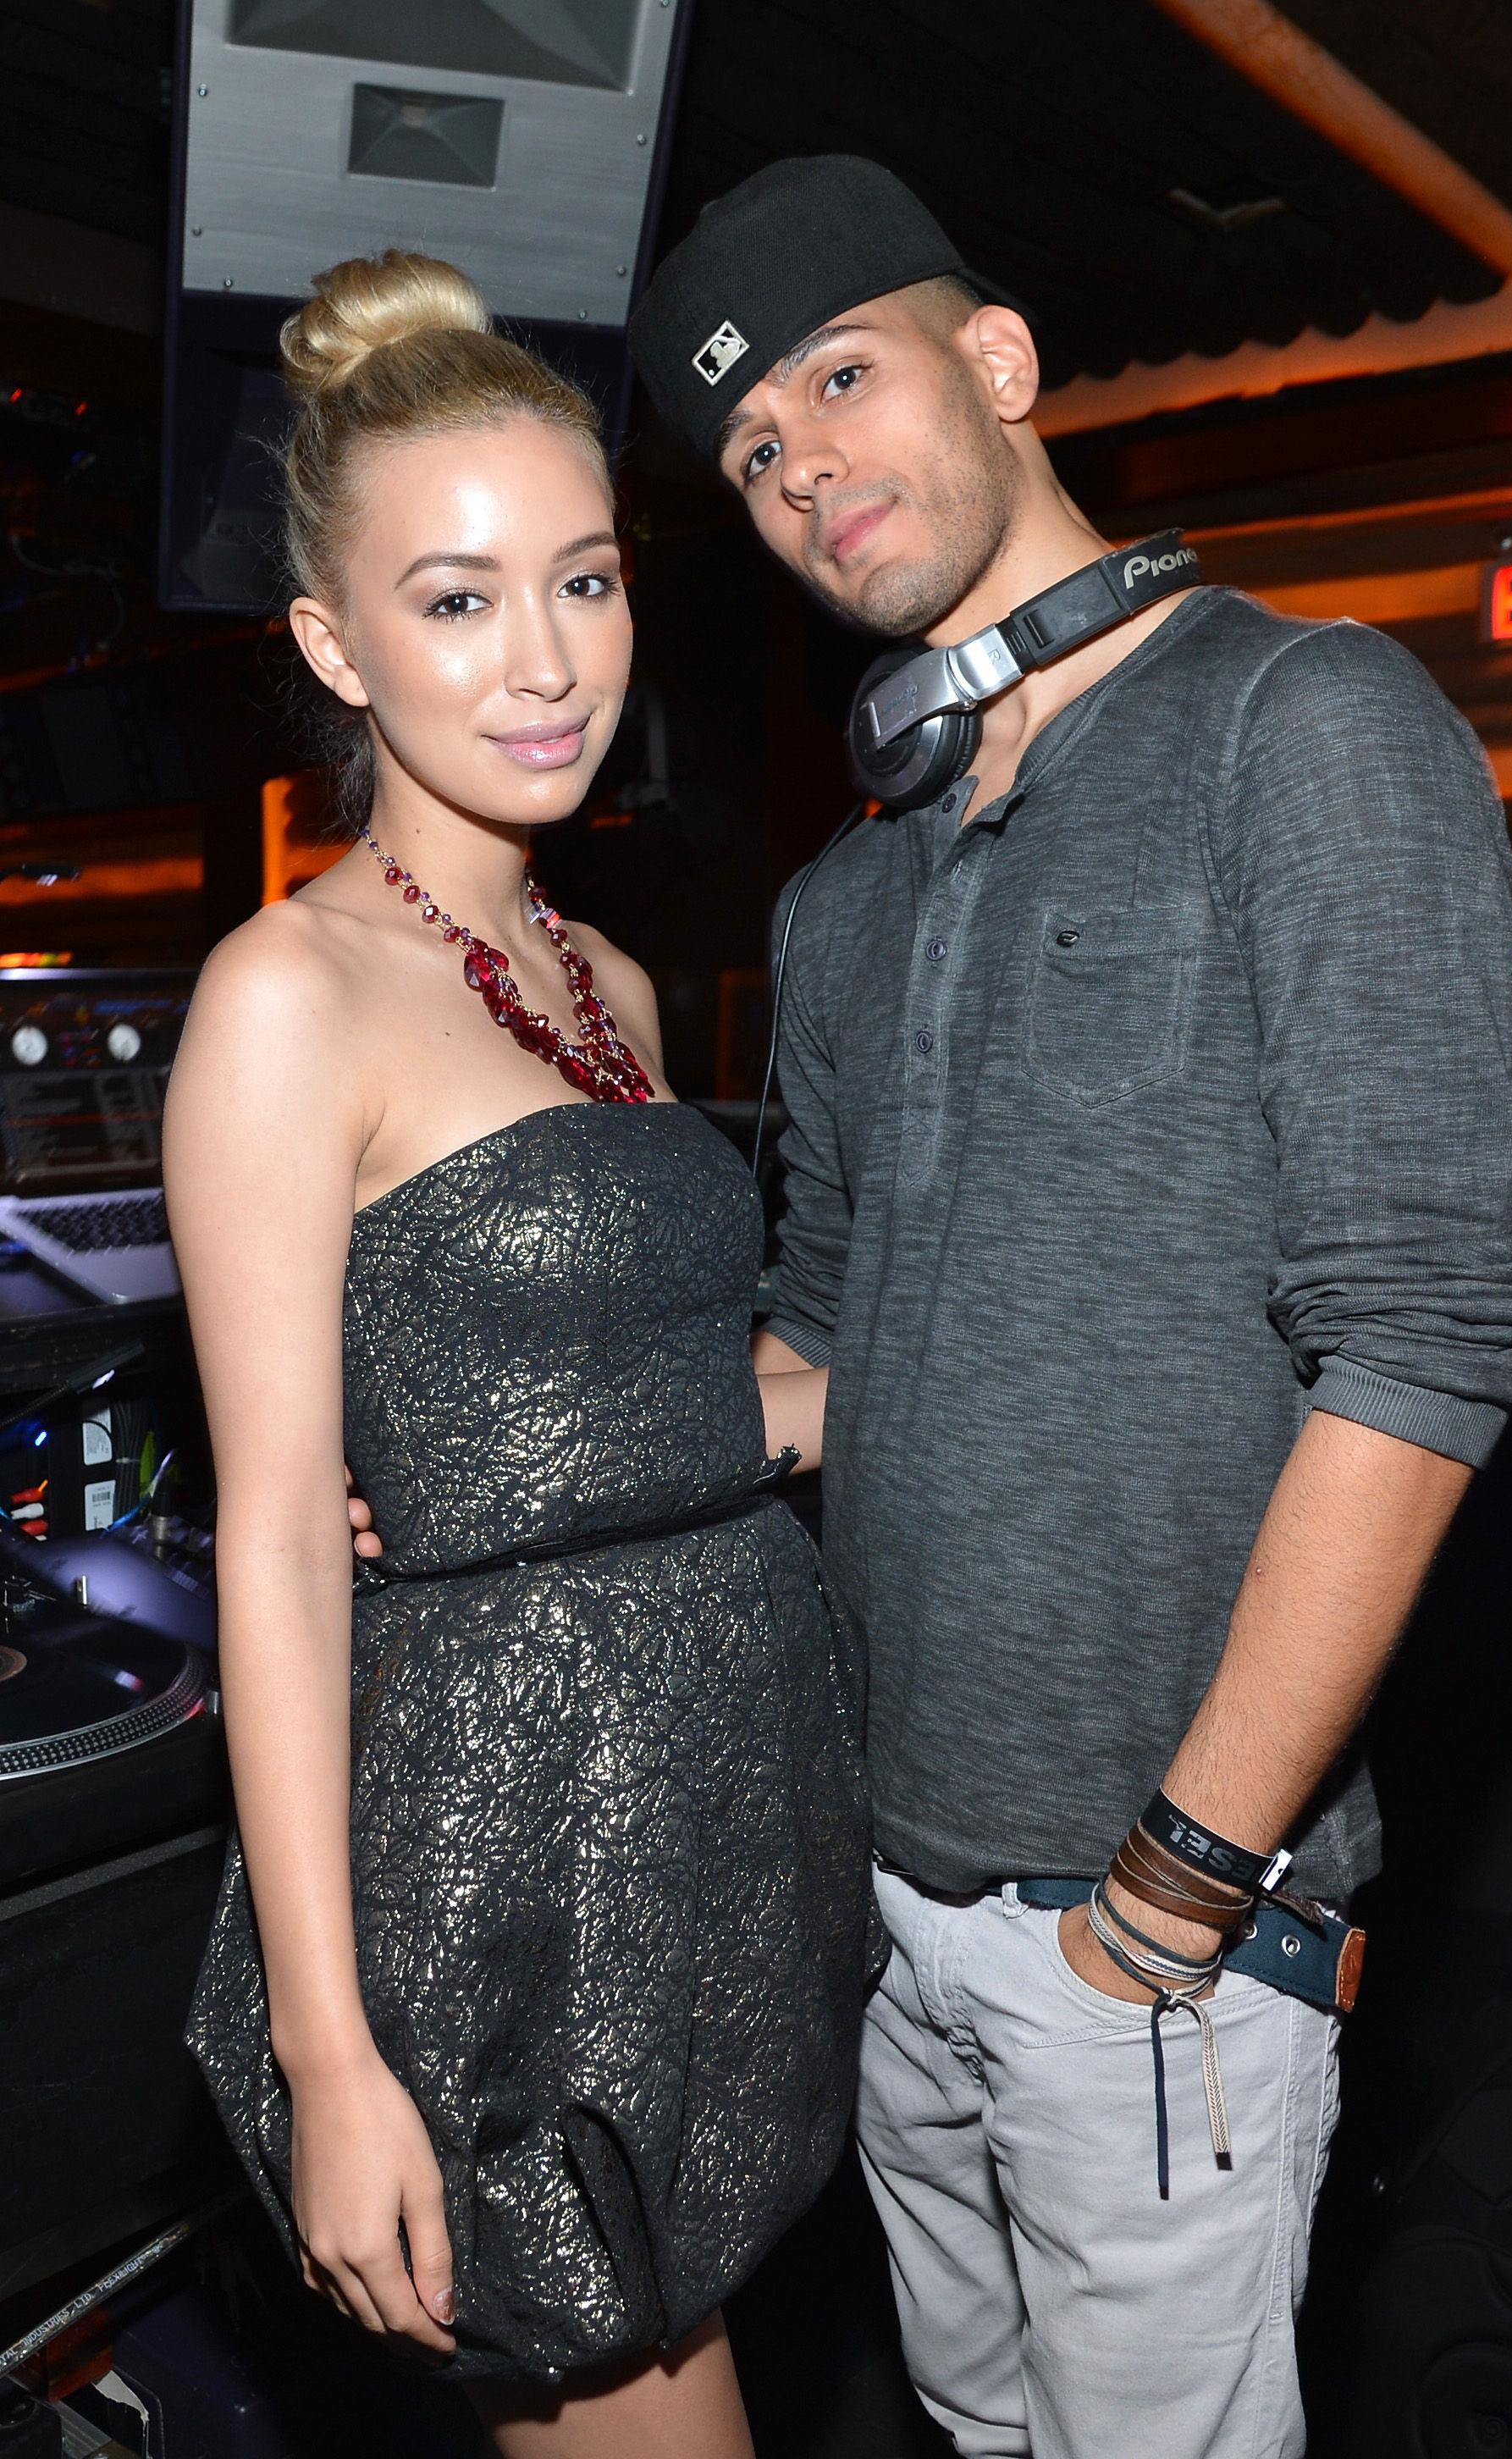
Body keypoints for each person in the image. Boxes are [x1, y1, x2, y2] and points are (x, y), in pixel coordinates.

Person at [622, 158, 1512, 2458]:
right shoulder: (842, 902)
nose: (801, 466)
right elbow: (822, 1346)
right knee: (968, 2424)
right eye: (751, 451)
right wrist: (514, 1464)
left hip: (1149, 1925)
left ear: (1002, 362)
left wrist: (1183, 1877)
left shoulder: (1304, 721)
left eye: (843, 378)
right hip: (879, 1895)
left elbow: (1424, 1337)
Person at [168, 249, 878, 2459]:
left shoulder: (612, 986)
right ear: (335, 644)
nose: (549, 661)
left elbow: (676, 1408)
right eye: (459, 600)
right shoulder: (286, 1000)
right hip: (509, 1886)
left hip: (718, 1843)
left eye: (583, 580)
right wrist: (329, 2055)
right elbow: (281, 1539)